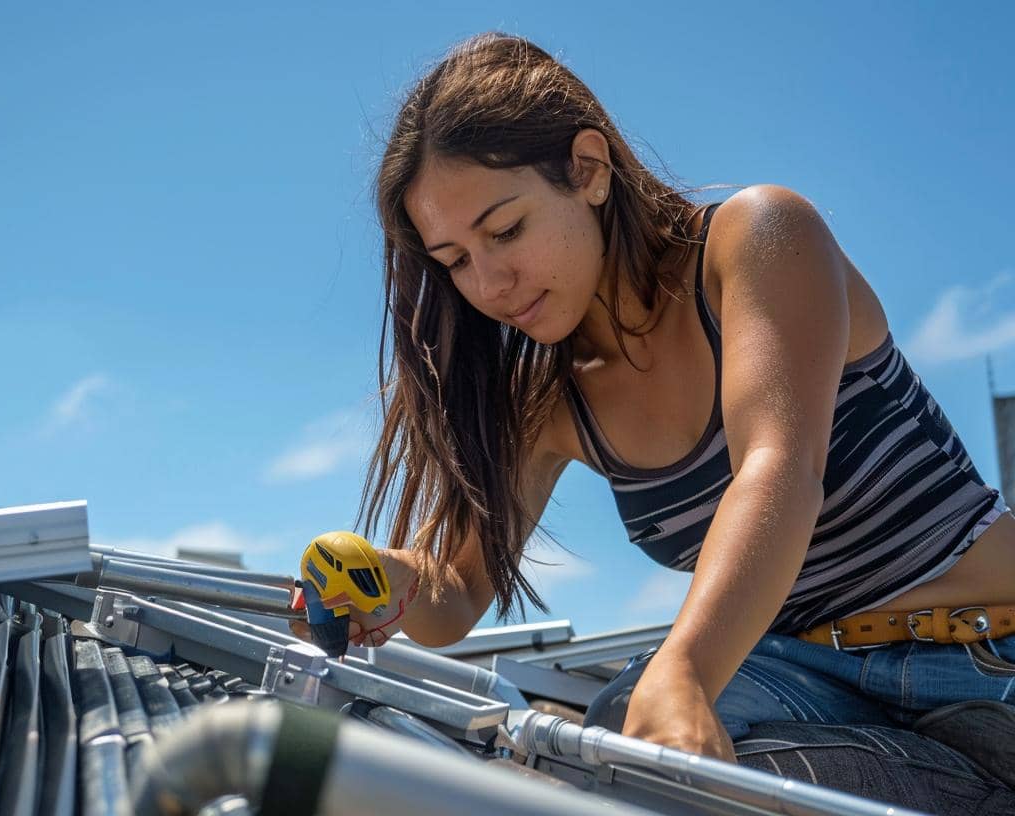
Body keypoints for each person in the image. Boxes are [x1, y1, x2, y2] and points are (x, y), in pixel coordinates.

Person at [292, 31, 1015, 765]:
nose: (488, 285)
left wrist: (687, 668)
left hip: (988, 659)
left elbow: (778, 468)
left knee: (654, 719)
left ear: (589, 171)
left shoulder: (759, 239)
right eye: (456, 263)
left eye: (506, 230)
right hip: (813, 682)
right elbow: (459, 592)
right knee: (616, 733)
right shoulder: (552, 404)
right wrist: (387, 579)